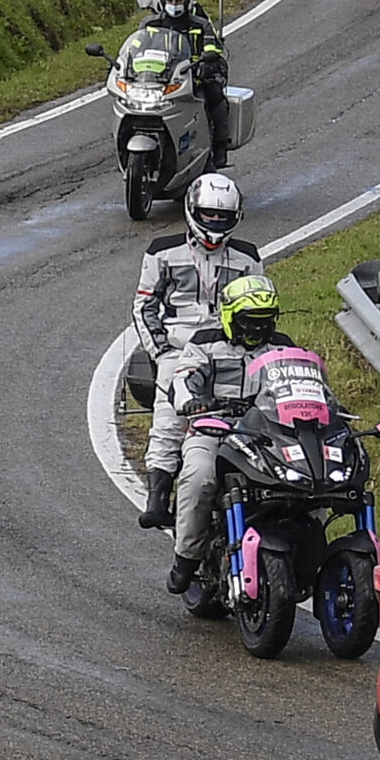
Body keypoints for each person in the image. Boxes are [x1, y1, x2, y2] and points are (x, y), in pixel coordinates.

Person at [134, 180, 265, 533]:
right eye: (209, 213)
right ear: (193, 211)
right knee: (169, 412)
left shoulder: (248, 257)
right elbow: (144, 305)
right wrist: (161, 350)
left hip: (231, 345)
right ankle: (158, 497)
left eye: (223, 216)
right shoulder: (161, 251)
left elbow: (258, 301)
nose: (215, 222)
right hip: (178, 347)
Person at [164, 273, 296, 591]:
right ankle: (186, 557)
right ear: (230, 316)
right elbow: (183, 379)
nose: (257, 328)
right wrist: (193, 402)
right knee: (199, 476)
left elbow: (304, 382)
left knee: (308, 482)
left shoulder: (283, 347)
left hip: (266, 435)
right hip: (214, 429)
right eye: (249, 320)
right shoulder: (204, 342)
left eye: (265, 320)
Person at [144, 0, 233, 163]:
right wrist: (121, 67)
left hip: (194, 76)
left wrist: (206, 66)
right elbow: (137, 47)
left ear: (188, 0)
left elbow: (213, 50)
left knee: (216, 97)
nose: (174, 5)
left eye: (178, 0)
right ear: (161, 0)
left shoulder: (201, 25)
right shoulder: (150, 24)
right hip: (159, 78)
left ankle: (219, 147)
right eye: (170, 0)